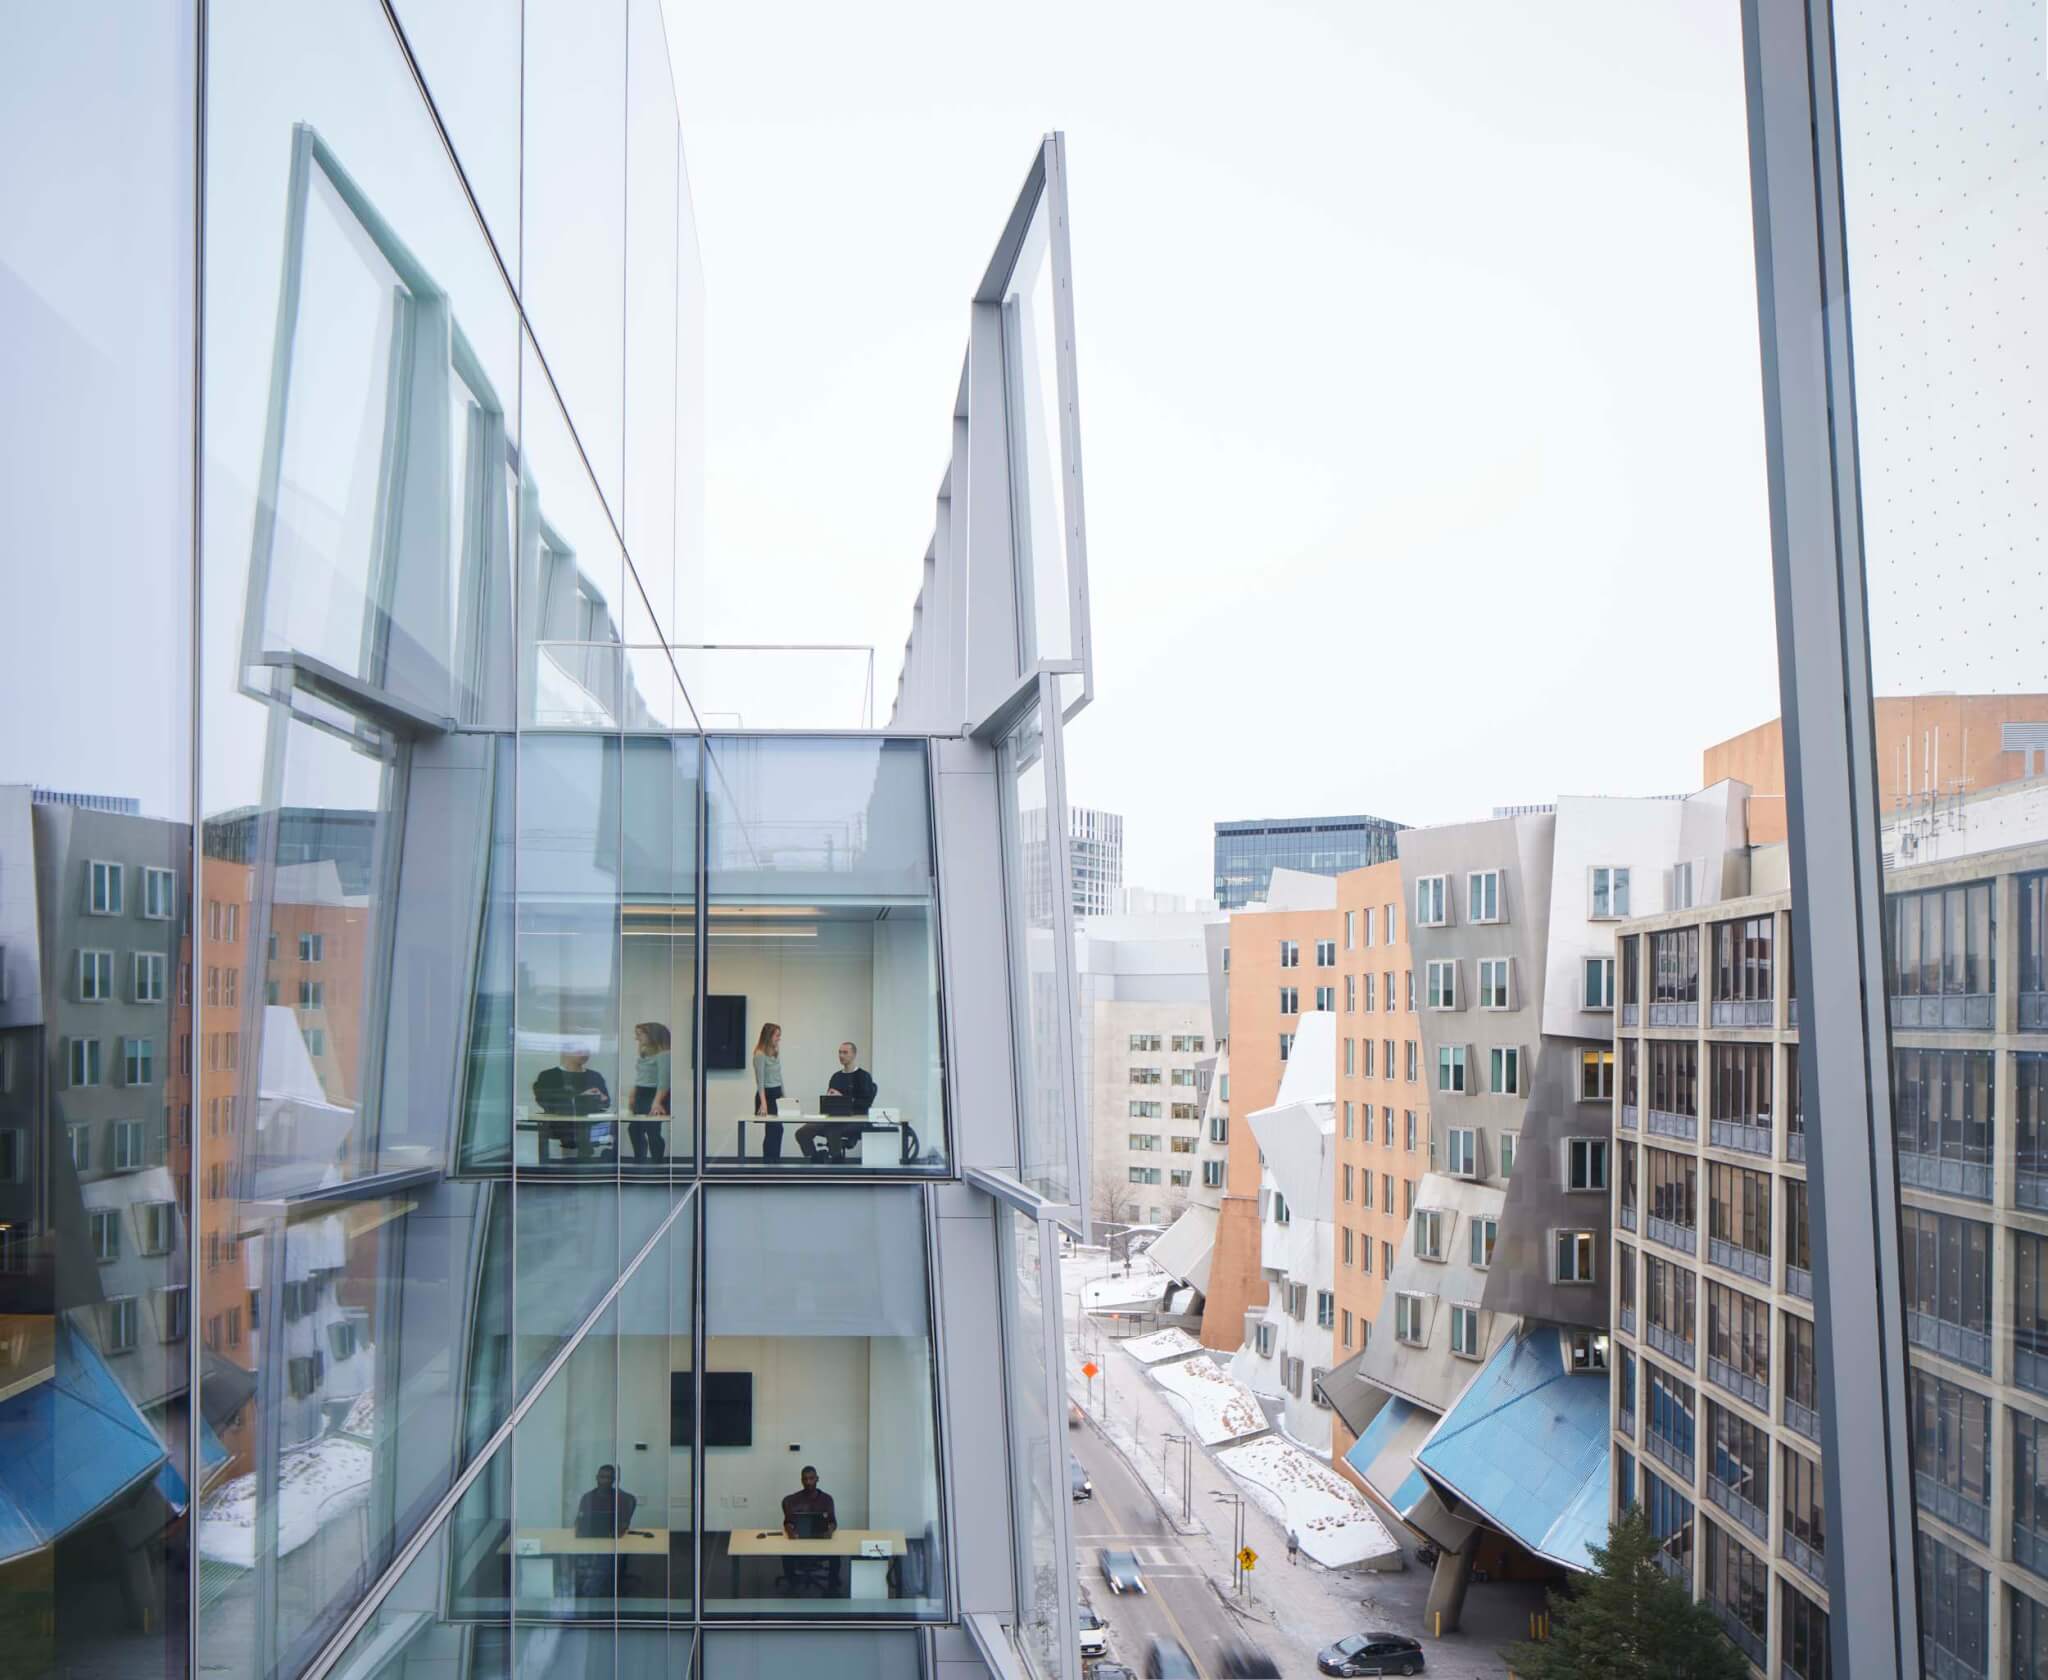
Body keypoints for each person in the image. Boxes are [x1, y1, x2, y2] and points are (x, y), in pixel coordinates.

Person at [795, 1041, 880, 1162]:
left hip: (856, 1119)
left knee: (832, 1130)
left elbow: (865, 1103)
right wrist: (829, 1098)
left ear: (854, 1055)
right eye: (840, 1052)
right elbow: (829, 1104)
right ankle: (815, 1158)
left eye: (845, 1052)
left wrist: (842, 1098)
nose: (841, 1055)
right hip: (834, 1118)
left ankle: (837, 1161)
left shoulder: (863, 1076)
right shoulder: (836, 1077)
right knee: (802, 1132)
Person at [533, 1044, 610, 1163]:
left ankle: (586, 1159)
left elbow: (606, 1103)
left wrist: (601, 1096)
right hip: (560, 1124)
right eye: (580, 1049)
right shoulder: (548, 1075)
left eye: (587, 1050)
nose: (584, 1053)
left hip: (589, 1125)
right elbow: (545, 1100)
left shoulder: (595, 1076)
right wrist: (579, 1097)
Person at [572, 1464, 639, 1598]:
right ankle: (591, 1588)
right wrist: (581, 1528)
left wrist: (618, 1529)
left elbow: (624, 1522)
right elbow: (579, 1520)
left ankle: (593, 1593)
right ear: (597, 1478)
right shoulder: (588, 1497)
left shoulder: (621, 1498)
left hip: (612, 1540)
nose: (605, 1480)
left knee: (604, 1561)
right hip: (589, 1539)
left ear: (614, 1480)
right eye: (602, 1477)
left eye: (609, 1478)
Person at [781, 1465, 840, 1595]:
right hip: (798, 1541)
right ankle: (792, 1583)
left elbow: (833, 1522)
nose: (808, 1482)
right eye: (805, 1479)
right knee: (785, 1553)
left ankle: (833, 1585)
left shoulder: (826, 1499)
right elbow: (788, 1522)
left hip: (822, 1541)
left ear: (817, 1479)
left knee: (836, 1553)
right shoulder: (794, 1499)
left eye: (811, 1478)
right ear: (801, 1480)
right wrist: (790, 1531)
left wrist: (830, 1531)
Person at [628, 1022, 672, 1163]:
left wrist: (656, 1102)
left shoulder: (664, 1055)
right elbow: (641, 1077)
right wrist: (633, 1094)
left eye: (639, 1034)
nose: (636, 1038)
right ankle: (639, 1160)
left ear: (651, 1035)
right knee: (634, 1129)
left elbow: (664, 1082)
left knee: (652, 1131)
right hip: (641, 1094)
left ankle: (657, 1161)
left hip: (654, 1095)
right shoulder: (644, 1054)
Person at [752, 1022, 786, 1161]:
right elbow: (760, 1081)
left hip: (777, 1094)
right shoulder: (759, 1054)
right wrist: (763, 1103)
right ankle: (768, 1163)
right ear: (768, 1036)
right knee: (773, 1130)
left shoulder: (776, 1052)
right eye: (777, 1035)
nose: (779, 1038)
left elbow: (779, 1076)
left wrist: (784, 1095)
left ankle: (774, 1162)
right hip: (767, 1095)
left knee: (777, 1130)